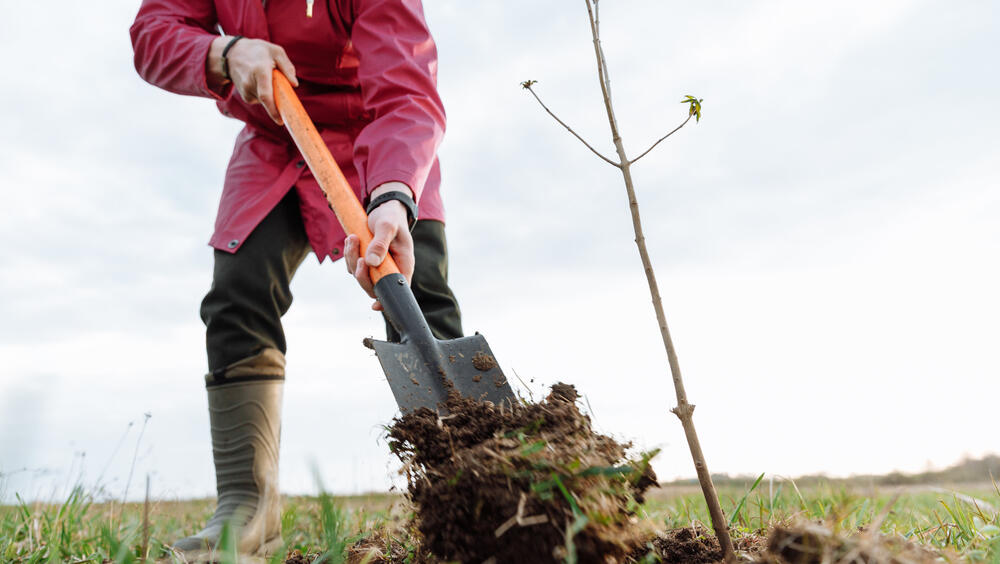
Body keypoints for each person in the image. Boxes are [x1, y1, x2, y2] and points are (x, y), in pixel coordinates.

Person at [129, 0, 461, 556]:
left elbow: (405, 91)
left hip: (376, 140)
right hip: (274, 138)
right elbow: (153, 33)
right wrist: (222, 51)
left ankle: (462, 490)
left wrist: (394, 193)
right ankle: (246, 510)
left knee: (419, 297)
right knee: (238, 294)